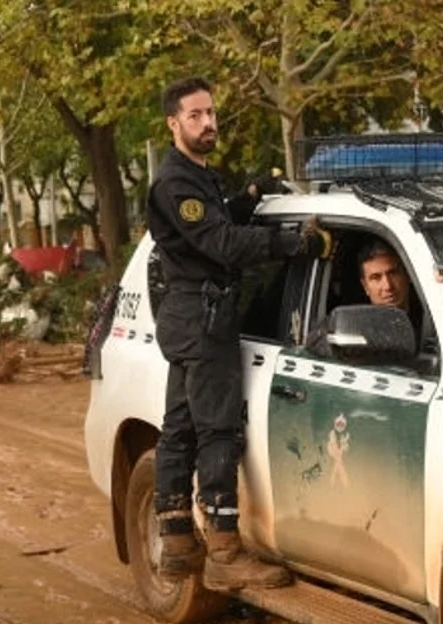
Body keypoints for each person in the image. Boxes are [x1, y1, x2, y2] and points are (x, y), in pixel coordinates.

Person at [147, 76, 330, 590]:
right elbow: (221, 244)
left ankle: (178, 540)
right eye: (195, 116)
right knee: (217, 429)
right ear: (173, 123)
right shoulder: (175, 181)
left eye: (210, 113)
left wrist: (248, 198)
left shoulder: (197, 176)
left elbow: (216, 223)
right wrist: (292, 243)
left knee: (180, 426)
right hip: (202, 319)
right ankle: (225, 550)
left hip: (192, 314)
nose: (208, 123)